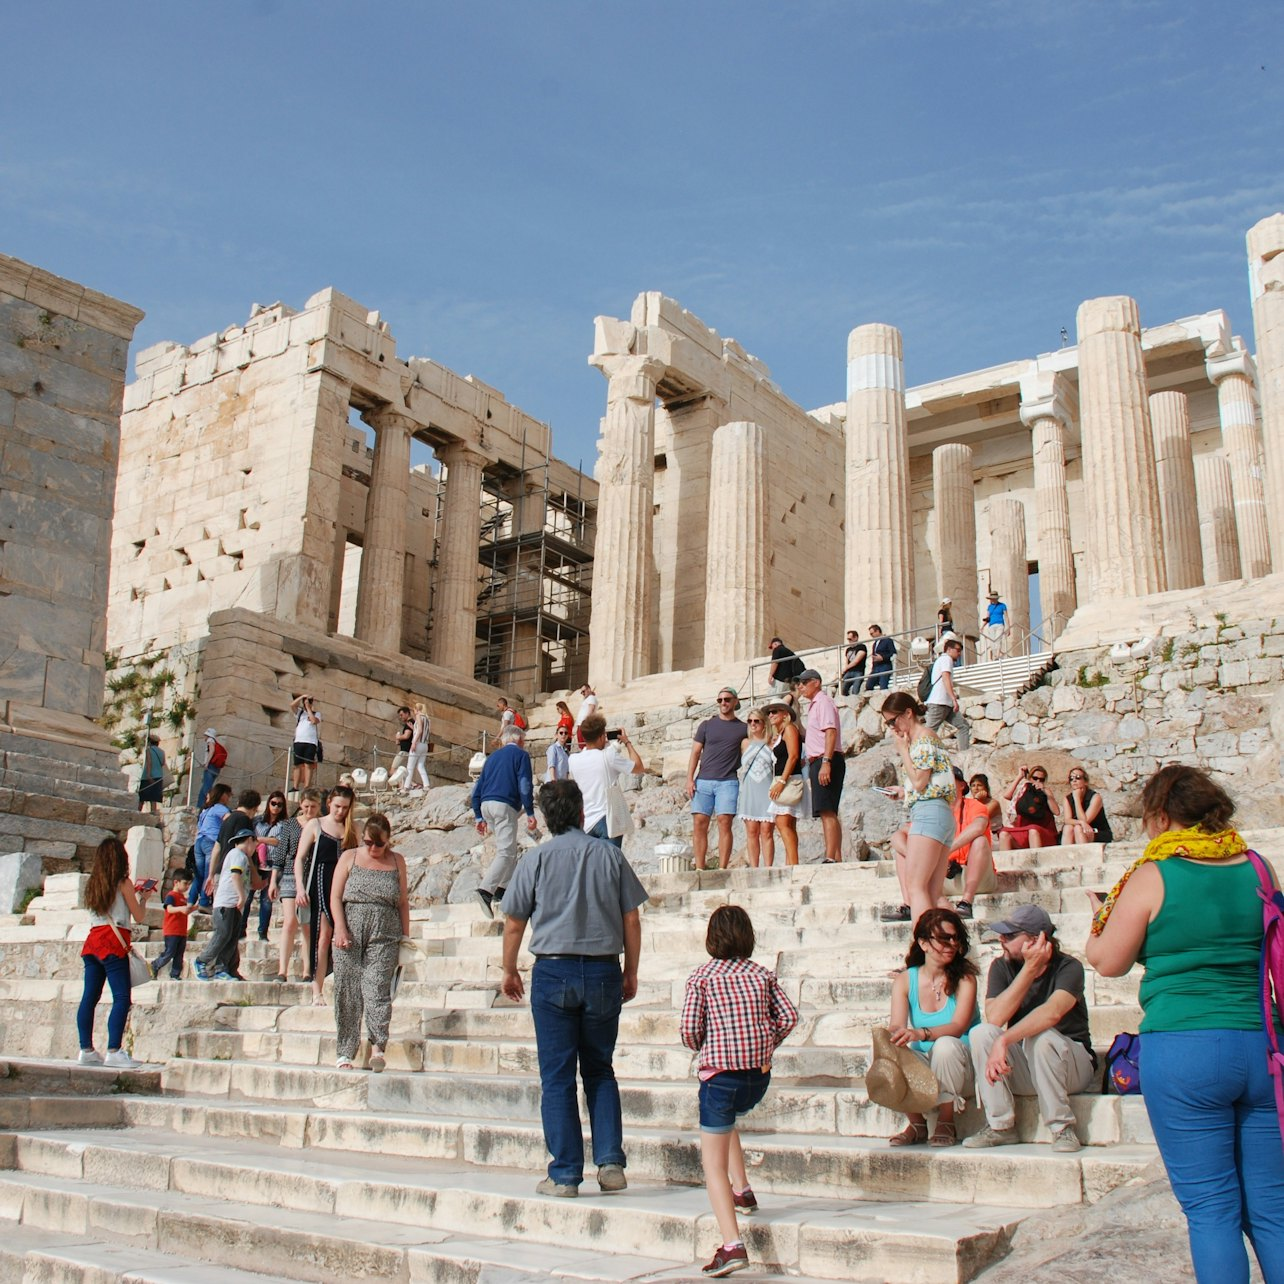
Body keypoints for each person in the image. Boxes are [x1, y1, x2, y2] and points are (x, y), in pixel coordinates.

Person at [1085, 765, 1284, 1283]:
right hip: (1262, 1046)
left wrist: (1103, 914)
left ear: (1163, 815)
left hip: (1185, 1047)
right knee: (1272, 1209)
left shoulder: (1154, 874)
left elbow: (1107, 961)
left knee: (1211, 1209)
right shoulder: (1259, 868)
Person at [500, 779, 649, 1197]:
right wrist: (631, 970)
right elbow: (632, 919)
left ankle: (565, 1173)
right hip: (603, 970)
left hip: (553, 972)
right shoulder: (609, 855)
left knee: (558, 1077)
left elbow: (515, 921)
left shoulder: (536, 859)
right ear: (583, 812)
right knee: (600, 1069)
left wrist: (509, 969)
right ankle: (610, 1162)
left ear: (546, 818)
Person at [681, 905, 799, 1276]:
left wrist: (707, 1044)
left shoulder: (703, 977)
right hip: (757, 1077)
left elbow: (688, 1030)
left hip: (720, 1078)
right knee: (727, 1123)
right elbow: (790, 1016)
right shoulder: (761, 974)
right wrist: (765, 1043)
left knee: (711, 1165)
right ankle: (743, 1189)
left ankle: (731, 1245)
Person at [963, 904, 1095, 1152]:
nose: (1002, 940)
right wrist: (1029, 969)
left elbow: (1051, 1013)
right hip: (1028, 1065)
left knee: (1042, 1037)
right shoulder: (1002, 967)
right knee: (981, 1033)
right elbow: (995, 1017)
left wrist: (1004, 1041)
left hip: (1071, 1065)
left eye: (1010, 936)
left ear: (1037, 940)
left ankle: (1062, 1128)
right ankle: (1000, 1126)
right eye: (1002, 934)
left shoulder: (1070, 967)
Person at [884, 908, 979, 1148]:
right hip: (925, 1061)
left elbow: (958, 1027)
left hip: (962, 1064)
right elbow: (897, 1023)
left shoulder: (965, 978)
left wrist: (921, 1033)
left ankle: (946, 1120)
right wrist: (894, 1036)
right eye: (944, 938)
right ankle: (916, 1123)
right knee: (885, 1049)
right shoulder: (906, 980)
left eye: (956, 938)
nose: (952, 944)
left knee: (945, 1046)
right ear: (924, 944)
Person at [331, 813, 410, 1072]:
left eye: (380, 844)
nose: (374, 849)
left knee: (377, 988)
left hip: (385, 931)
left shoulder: (398, 862)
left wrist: (406, 938)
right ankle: (345, 1051)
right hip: (351, 928)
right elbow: (335, 897)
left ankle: (378, 1047)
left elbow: (402, 903)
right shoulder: (349, 857)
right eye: (369, 842)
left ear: (389, 841)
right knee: (348, 989)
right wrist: (340, 928)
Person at [77, 837, 153, 1067]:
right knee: (121, 997)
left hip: (93, 942)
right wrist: (144, 898)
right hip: (113, 942)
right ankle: (114, 1050)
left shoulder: (93, 884)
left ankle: (86, 1049)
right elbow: (138, 916)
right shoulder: (123, 883)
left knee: (89, 997)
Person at [880, 692, 955, 926]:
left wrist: (902, 750)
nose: (893, 727)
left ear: (908, 713)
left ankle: (922, 947)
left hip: (928, 813)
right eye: (888, 723)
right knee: (931, 892)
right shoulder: (929, 739)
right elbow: (930, 782)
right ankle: (938, 944)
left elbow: (921, 782)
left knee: (916, 887)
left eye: (893, 721)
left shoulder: (922, 740)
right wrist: (904, 791)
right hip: (940, 813)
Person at [885, 767, 993, 922]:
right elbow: (897, 836)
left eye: (948, 781)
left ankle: (966, 902)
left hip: (973, 875)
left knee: (980, 841)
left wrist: (945, 853)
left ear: (962, 785)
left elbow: (979, 827)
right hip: (942, 875)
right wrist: (914, 858)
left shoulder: (974, 806)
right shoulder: (933, 810)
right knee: (902, 848)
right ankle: (909, 905)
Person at [294, 784, 358, 1004]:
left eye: (345, 808)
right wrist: (300, 887)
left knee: (341, 938)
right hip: (321, 881)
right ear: (329, 802)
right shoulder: (316, 825)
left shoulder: (351, 829)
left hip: (344, 884)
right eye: (337, 806)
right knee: (322, 936)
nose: (340, 811)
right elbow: (300, 858)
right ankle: (317, 990)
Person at [472, 726, 539, 919]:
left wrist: (478, 815)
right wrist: (530, 810)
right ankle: (486, 890)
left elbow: (478, 787)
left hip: (486, 805)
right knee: (506, 852)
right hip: (504, 805)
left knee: (508, 849)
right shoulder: (521, 756)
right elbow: (525, 784)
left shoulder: (492, 757)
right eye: (524, 740)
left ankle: (503, 889)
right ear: (518, 740)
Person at [687, 688, 748, 871]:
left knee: (724, 822)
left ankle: (722, 868)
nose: (723, 703)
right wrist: (689, 778)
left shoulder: (743, 727)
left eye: (727, 699)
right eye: (720, 699)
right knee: (699, 823)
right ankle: (699, 867)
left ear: (735, 701)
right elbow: (695, 752)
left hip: (727, 781)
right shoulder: (706, 725)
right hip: (703, 780)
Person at [193, 827, 262, 981]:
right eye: (255, 845)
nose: (254, 850)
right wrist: (241, 896)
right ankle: (201, 961)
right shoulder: (238, 854)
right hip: (227, 903)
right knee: (222, 934)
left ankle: (221, 968)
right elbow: (235, 875)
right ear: (250, 840)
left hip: (234, 905)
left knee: (231, 937)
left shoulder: (239, 856)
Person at [569, 715, 644, 848]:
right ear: (601, 736)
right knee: (610, 864)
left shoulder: (573, 759)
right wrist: (627, 743)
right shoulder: (608, 756)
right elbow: (638, 767)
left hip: (585, 822)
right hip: (607, 819)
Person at [270, 788, 320, 983]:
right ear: (300, 805)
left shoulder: (321, 824)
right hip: (291, 874)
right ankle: (282, 970)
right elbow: (281, 852)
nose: (309, 810)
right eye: (306, 806)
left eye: (313, 807)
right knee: (290, 922)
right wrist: (274, 879)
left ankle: (308, 971)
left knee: (307, 925)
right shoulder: (290, 825)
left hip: (312, 875)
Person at [796, 669, 844, 863]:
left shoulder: (823, 702)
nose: (800, 686)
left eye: (804, 682)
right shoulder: (814, 705)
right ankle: (836, 856)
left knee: (827, 810)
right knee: (828, 810)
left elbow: (831, 732)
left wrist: (826, 762)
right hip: (819, 760)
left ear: (816, 682)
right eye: (799, 683)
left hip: (826, 760)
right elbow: (810, 736)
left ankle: (830, 856)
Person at [205, 789, 262, 907]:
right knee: (233, 915)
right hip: (235, 872)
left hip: (221, 871)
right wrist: (254, 873)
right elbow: (245, 849)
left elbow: (217, 848)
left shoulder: (228, 819)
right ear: (255, 808)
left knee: (220, 911)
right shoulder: (244, 820)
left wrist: (211, 874)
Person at [764, 702, 804, 867]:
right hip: (784, 778)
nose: (771, 715)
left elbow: (793, 756)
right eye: (769, 713)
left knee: (782, 823)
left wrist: (781, 781)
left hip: (788, 780)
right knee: (787, 824)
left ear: (784, 714)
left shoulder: (790, 729)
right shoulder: (781, 733)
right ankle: (791, 863)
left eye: (774, 712)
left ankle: (793, 864)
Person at [737, 709, 775, 869]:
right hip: (749, 790)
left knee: (766, 831)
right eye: (750, 721)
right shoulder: (745, 743)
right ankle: (754, 867)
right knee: (752, 831)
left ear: (763, 723)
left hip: (767, 789)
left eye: (756, 721)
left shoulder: (772, 742)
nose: (753, 724)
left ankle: (768, 867)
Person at [245, 791, 285, 941]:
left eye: (279, 804)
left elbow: (278, 841)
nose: (276, 807)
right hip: (254, 862)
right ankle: (241, 929)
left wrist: (259, 839)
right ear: (268, 803)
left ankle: (263, 932)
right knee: (248, 896)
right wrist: (265, 840)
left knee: (266, 899)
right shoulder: (257, 821)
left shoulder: (283, 824)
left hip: (273, 863)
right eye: (273, 803)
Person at [924, 636, 971, 751]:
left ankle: (964, 754)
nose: (959, 653)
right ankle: (918, 753)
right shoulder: (946, 659)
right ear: (949, 650)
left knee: (963, 726)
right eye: (958, 650)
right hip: (938, 702)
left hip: (946, 703)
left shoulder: (943, 660)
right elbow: (946, 678)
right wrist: (954, 699)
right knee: (929, 732)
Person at [190, 783, 232, 909]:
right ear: (222, 794)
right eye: (228, 795)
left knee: (199, 874)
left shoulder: (206, 810)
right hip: (211, 841)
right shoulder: (220, 807)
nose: (229, 798)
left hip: (199, 841)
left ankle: (190, 901)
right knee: (209, 873)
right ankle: (204, 902)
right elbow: (228, 819)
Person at [1000, 765, 1059, 850]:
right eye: (1035, 778)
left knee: (1033, 831)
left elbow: (1056, 812)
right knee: (1004, 833)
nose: (1038, 781)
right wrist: (1019, 776)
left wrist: (1046, 793)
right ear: (1030, 778)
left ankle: (1036, 862)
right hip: (1023, 829)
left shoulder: (1046, 791)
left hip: (1042, 831)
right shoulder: (1024, 789)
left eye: (1041, 779)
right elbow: (1007, 795)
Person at [150, 872, 195, 981]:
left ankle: (175, 974)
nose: (187, 887)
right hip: (172, 931)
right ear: (176, 882)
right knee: (169, 952)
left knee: (179, 954)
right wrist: (180, 909)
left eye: (189, 884)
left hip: (181, 931)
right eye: (185, 883)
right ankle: (155, 965)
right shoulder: (171, 896)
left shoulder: (183, 898)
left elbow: (184, 912)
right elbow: (169, 909)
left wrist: (194, 908)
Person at [1060, 767, 1113, 845]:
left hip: (1097, 830)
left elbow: (1086, 820)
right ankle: (1065, 856)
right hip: (1080, 828)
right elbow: (1067, 820)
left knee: (1078, 829)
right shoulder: (1067, 799)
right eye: (1071, 779)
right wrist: (1081, 822)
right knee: (1068, 828)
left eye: (1078, 778)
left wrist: (1077, 799)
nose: (1074, 781)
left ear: (1085, 782)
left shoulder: (1095, 797)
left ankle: (1084, 856)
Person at [290, 693, 322, 791]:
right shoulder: (300, 713)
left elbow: (313, 721)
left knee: (308, 765)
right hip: (299, 741)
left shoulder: (317, 714)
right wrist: (302, 697)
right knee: (297, 765)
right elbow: (292, 705)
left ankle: (307, 786)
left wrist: (308, 708)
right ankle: (295, 787)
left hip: (311, 742)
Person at [401, 701, 431, 794]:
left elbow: (420, 730)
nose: (414, 712)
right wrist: (414, 728)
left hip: (417, 744)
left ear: (416, 709)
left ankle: (406, 787)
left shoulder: (418, 716)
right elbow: (423, 731)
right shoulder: (427, 718)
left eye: (414, 710)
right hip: (425, 744)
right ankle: (426, 785)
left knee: (410, 767)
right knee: (420, 765)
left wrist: (413, 742)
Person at [138, 734, 165, 814]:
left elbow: (149, 762)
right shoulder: (162, 752)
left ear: (150, 742)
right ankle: (153, 814)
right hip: (159, 776)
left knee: (142, 797)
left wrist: (149, 775)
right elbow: (163, 763)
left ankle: (138, 812)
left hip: (148, 776)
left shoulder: (149, 750)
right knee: (154, 798)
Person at [198, 727, 224, 807]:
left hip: (210, 766)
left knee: (206, 789)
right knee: (205, 788)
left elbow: (212, 751)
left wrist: (206, 763)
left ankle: (209, 805)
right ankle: (201, 805)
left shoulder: (210, 740)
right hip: (215, 768)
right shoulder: (214, 741)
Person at [866, 624, 897, 691]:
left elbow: (893, 653)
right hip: (876, 667)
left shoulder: (888, 640)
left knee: (883, 685)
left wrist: (883, 658)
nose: (871, 636)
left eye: (872, 633)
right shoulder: (875, 644)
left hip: (885, 665)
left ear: (877, 631)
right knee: (869, 685)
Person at [980, 590, 1009, 660]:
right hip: (991, 625)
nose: (992, 600)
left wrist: (1008, 627)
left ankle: (998, 655)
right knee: (992, 641)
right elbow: (988, 617)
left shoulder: (1002, 605)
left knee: (998, 639)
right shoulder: (990, 607)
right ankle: (995, 655)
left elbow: (1006, 616)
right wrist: (983, 626)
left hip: (1000, 624)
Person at [840, 629, 867, 696]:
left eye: (850, 639)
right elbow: (847, 661)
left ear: (856, 638)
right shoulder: (848, 649)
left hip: (858, 671)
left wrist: (845, 668)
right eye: (848, 639)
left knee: (855, 690)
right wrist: (845, 670)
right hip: (849, 672)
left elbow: (856, 661)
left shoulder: (862, 647)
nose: (849, 641)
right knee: (843, 689)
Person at [573, 684, 598, 748]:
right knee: (582, 745)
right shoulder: (587, 699)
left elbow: (591, 709)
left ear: (589, 689)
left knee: (585, 744)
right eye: (581, 692)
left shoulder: (591, 698)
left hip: (584, 724)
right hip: (581, 724)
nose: (582, 693)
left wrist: (585, 722)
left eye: (583, 691)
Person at [392, 705, 414, 777]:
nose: (400, 717)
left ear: (407, 713)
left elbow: (406, 736)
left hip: (405, 751)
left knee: (393, 770)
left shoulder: (409, 723)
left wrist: (398, 737)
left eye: (401, 715)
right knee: (403, 770)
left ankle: (411, 784)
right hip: (406, 750)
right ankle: (409, 784)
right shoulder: (410, 723)